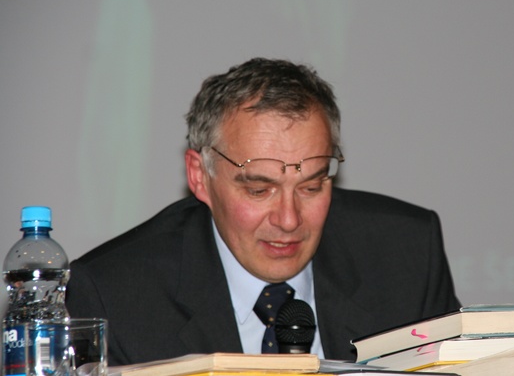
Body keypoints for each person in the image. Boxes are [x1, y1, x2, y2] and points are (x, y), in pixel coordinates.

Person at [66, 58, 461, 366]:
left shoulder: (407, 256)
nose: (289, 220)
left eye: (311, 186)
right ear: (200, 176)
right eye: (259, 190)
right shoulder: (114, 297)